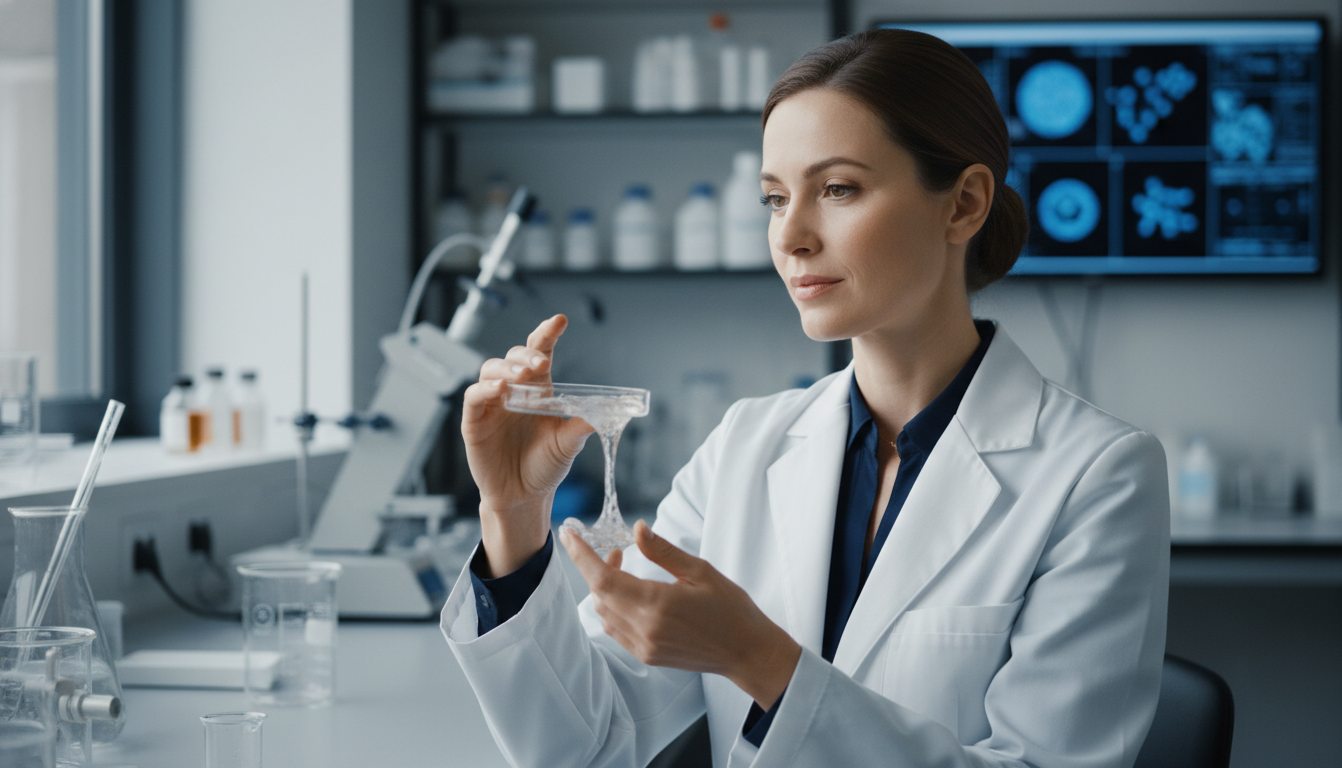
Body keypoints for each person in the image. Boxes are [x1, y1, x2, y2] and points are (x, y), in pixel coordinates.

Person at [441, 29, 1169, 768]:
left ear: (964, 205)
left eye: (838, 189)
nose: (789, 236)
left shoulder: (1098, 474)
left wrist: (760, 661)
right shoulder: (744, 446)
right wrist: (513, 514)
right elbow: (587, 744)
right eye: (774, 198)